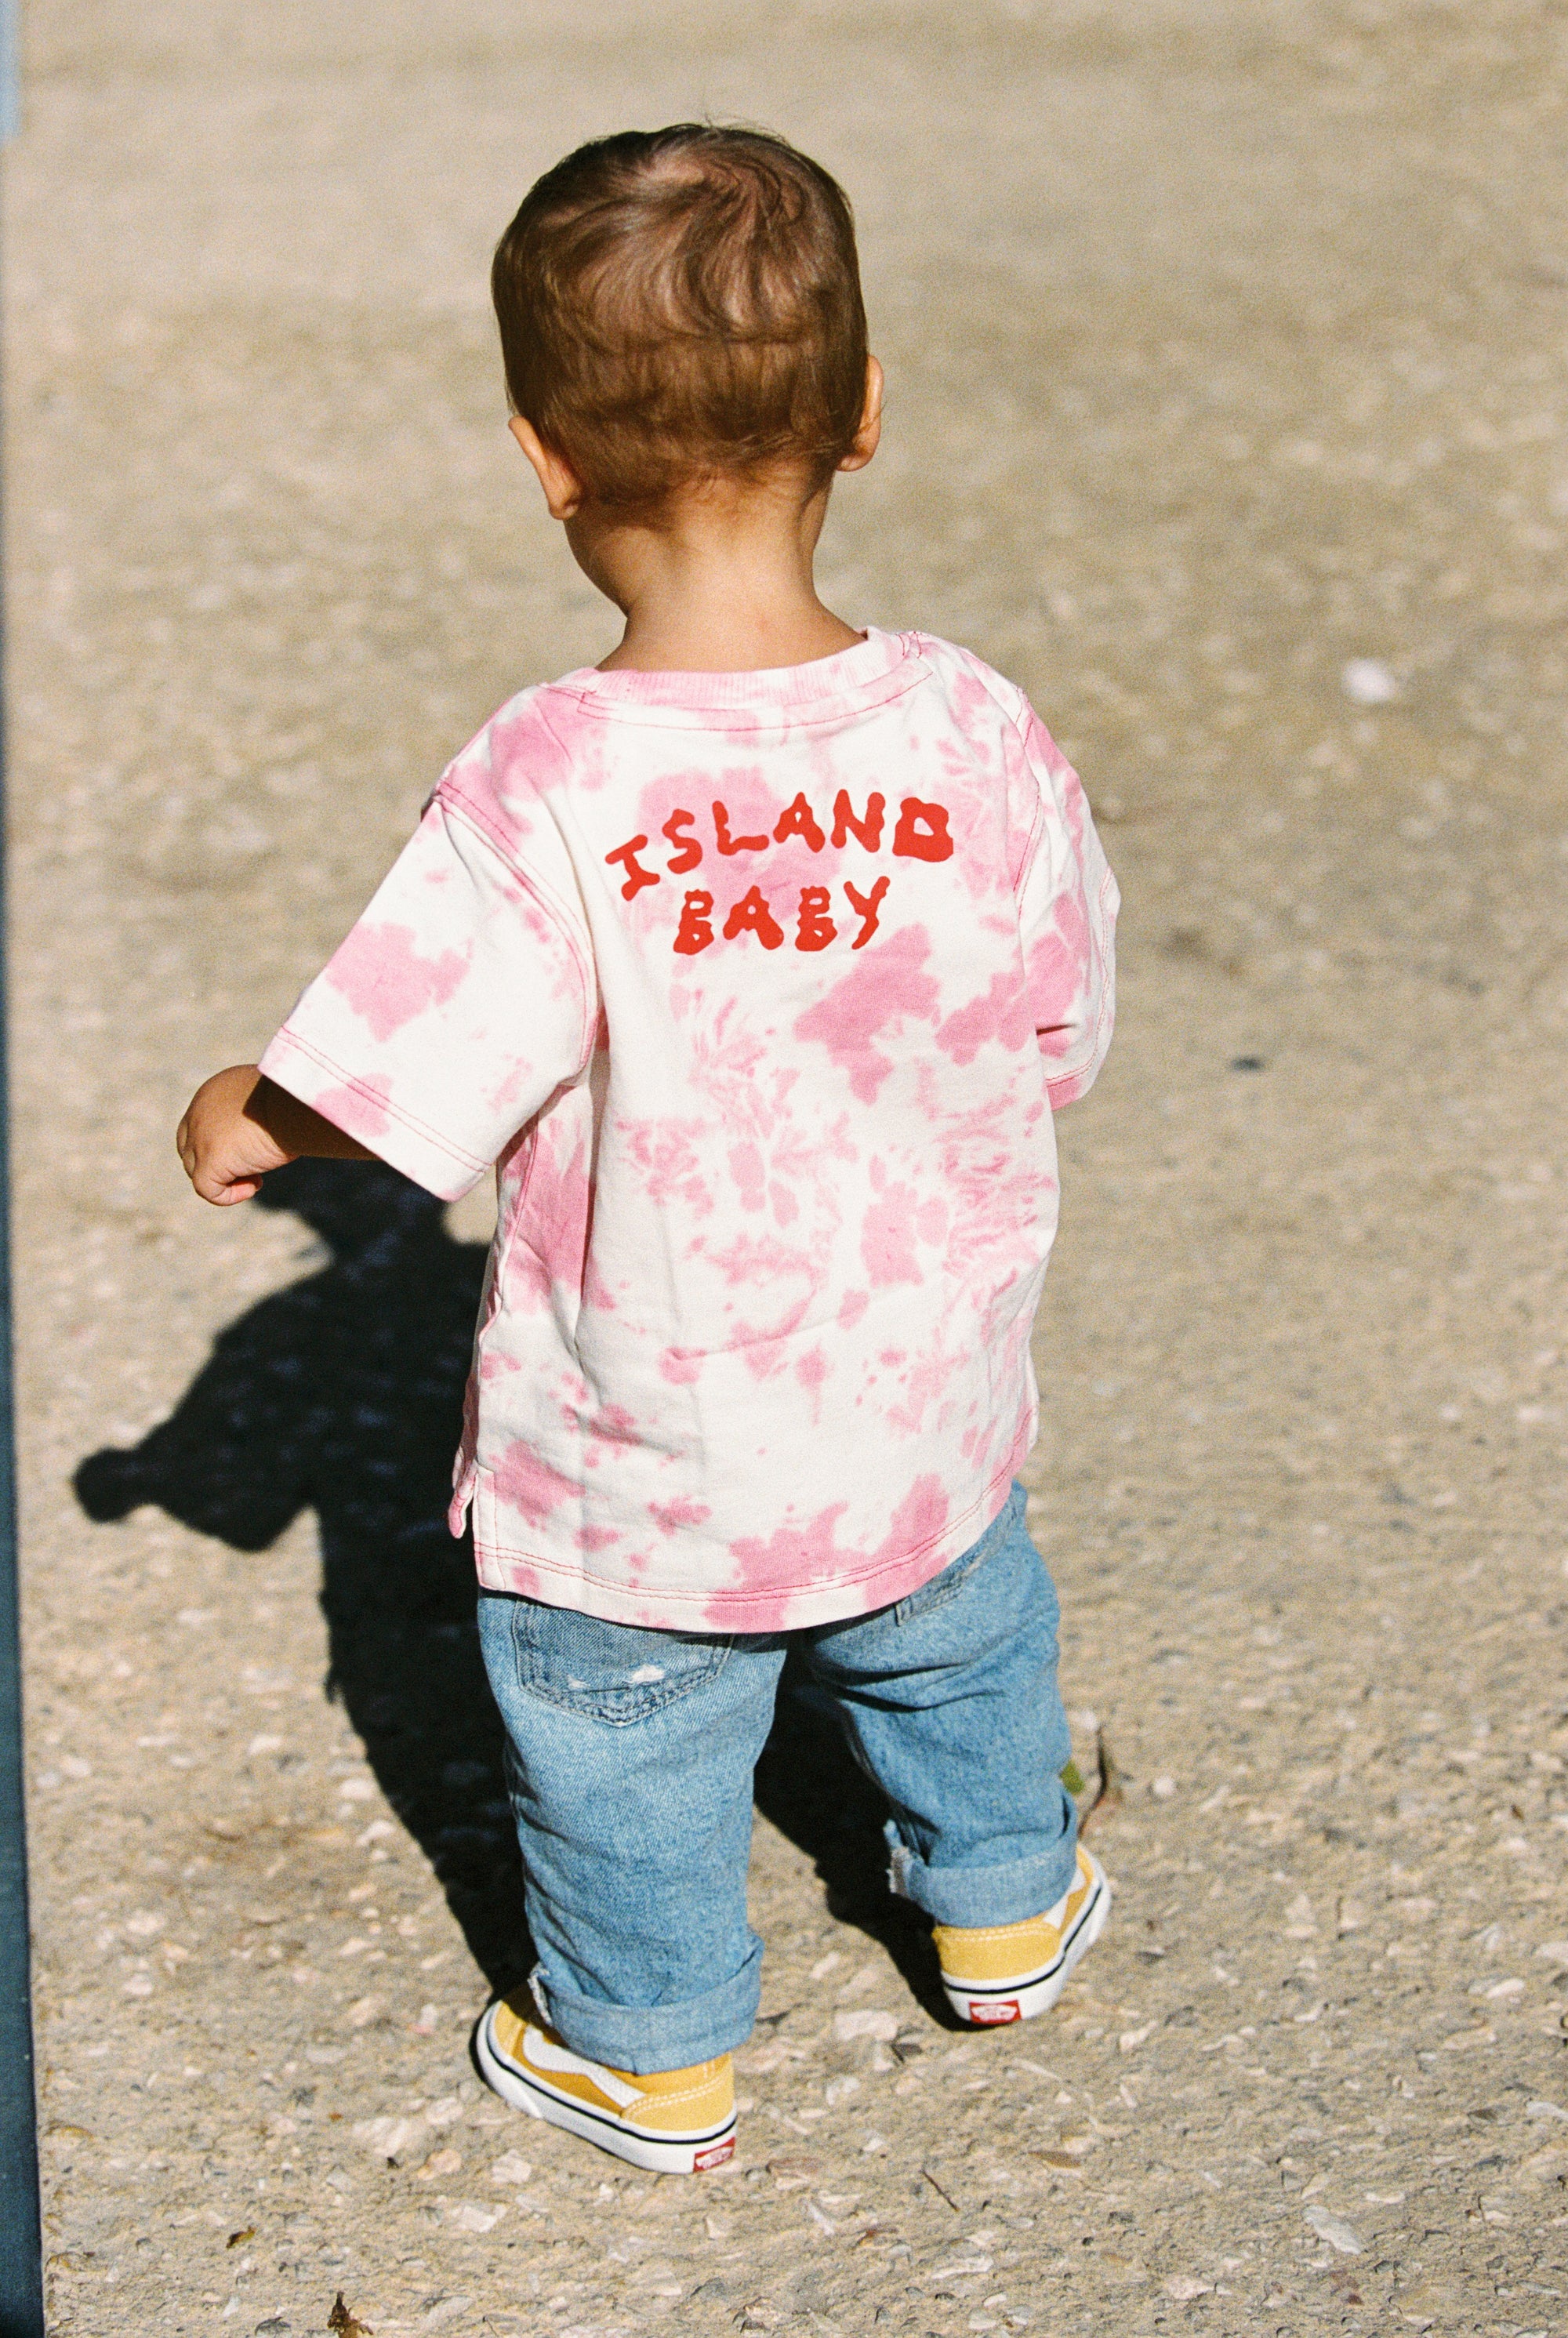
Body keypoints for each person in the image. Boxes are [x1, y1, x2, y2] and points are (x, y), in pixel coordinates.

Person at [176, 123, 1119, 2177]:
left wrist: (253, 1110)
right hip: (918, 1394)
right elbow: (1062, 1018)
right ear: (865, 415)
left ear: (546, 458)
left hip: (647, 1462)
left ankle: (649, 2041)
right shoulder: (971, 728)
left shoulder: (553, 785)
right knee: (959, 1637)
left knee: (622, 1740)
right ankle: (1006, 1908)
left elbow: (415, 1071)